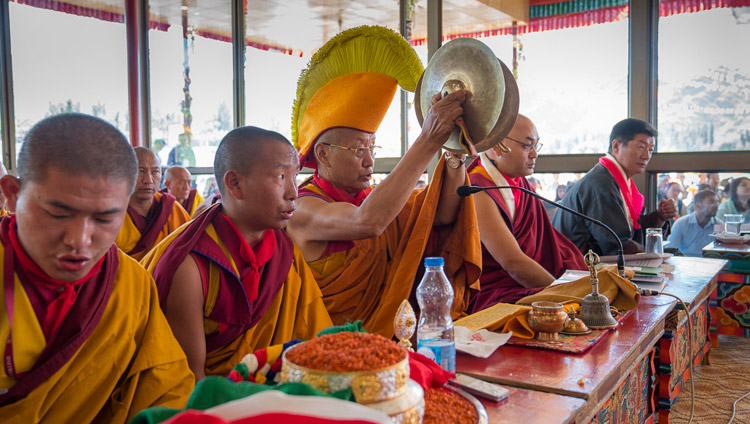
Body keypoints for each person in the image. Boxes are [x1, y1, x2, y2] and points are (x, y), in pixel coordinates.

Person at [286, 26, 481, 337]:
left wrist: (454, 152)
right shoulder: (302, 207)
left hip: (384, 342)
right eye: (358, 149)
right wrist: (427, 140)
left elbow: (441, 215)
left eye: (371, 148)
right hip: (326, 349)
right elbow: (368, 222)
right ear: (322, 154)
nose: (369, 160)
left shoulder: (373, 199)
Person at [0, 114, 193, 422]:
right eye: (57, 213)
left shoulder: (130, 282)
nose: (79, 241)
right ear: (12, 194)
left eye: (104, 219)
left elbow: (165, 389)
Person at [141, 126, 333, 380]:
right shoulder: (190, 266)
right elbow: (191, 385)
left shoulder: (284, 251)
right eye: (280, 177)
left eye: (294, 176)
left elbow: (315, 347)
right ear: (235, 184)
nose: (294, 193)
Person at [466, 114, 586, 309]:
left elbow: (545, 243)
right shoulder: (478, 189)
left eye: (535, 146)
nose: (534, 155)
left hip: (524, 285)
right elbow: (512, 262)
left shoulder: (520, 183)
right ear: (496, 146)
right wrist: (562, 295)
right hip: (495, 292)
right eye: (526, 146)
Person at [553, 118, 678, 255]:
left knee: (675, 254)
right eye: (641, 147)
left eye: (651, 149)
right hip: (580, 267)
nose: (646, 156)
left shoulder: (618, 180)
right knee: (674, 256)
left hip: (603, 260)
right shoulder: (600, 183)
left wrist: (660, 216)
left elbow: (630, 234)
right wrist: (656, 256)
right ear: (616, 146)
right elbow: (617, 245)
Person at [115, 147, 191, 260]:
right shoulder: (111, 211)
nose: (148, 180)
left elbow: (191, 248)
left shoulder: (171, 208)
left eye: (155, 172)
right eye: (140, 171)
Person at [666, 190, 721, 257]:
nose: (716, 205)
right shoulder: (681, 224)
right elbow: (670, 251)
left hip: (710, 264)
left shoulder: (719, 224)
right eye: (711, 202)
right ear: (698, 205)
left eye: (717, 202)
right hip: (685, 264)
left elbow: (722, 252)